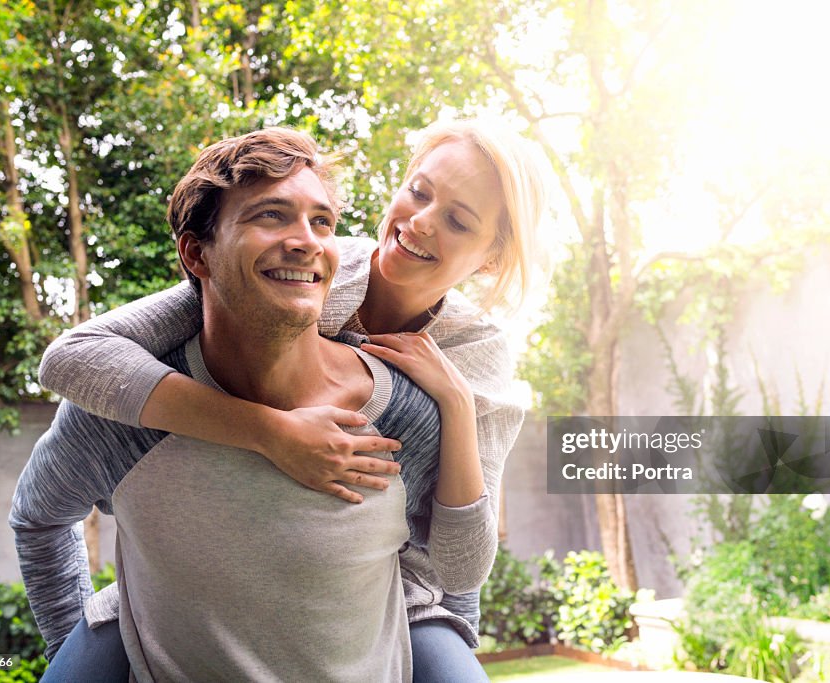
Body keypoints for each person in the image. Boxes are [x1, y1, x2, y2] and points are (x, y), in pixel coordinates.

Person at [38, 118, 544, 679]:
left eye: (457, 220)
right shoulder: (304, 264)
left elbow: (459, 548)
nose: (420, 222)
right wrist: (270, 432)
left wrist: (457, 405)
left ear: (490, 257)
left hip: (400, 597)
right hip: (183, 601)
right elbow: (76, 356)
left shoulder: (474, 357)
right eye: (419, 192)